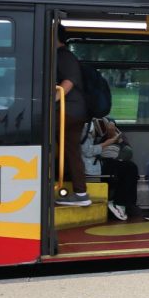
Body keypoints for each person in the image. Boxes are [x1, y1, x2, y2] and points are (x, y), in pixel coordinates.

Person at [53, 25, 91, 207]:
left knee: (40, 138)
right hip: (75, 111)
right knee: (71, 151)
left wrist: (52, 101)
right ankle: (80, 193)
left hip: (67, 110)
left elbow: (68, 81)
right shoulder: (65, 55)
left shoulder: (63, 55)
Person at [81, 118, 138, 221]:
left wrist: (111, 131)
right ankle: (120, 203)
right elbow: (87, 151)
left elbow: (109, 121)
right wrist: (107, 143)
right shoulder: (84, 128)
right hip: (91, 166)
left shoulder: (93, 124)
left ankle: (124, 204)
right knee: (129, 168)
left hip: (98, 162)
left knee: (128, 166)